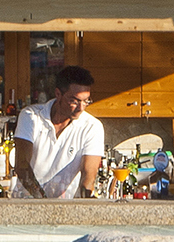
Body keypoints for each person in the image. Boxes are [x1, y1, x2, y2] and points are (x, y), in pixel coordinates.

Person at [11, 66, 104, 198]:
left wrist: (85, 203)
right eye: (74, 101)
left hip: (66, 207)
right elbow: (22, 165)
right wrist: (42, 201)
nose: (81, 108)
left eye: (86, 101)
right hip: (26, 202)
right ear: (58, 94)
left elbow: (89, 176)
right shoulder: (31, 116)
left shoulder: (92, 127)